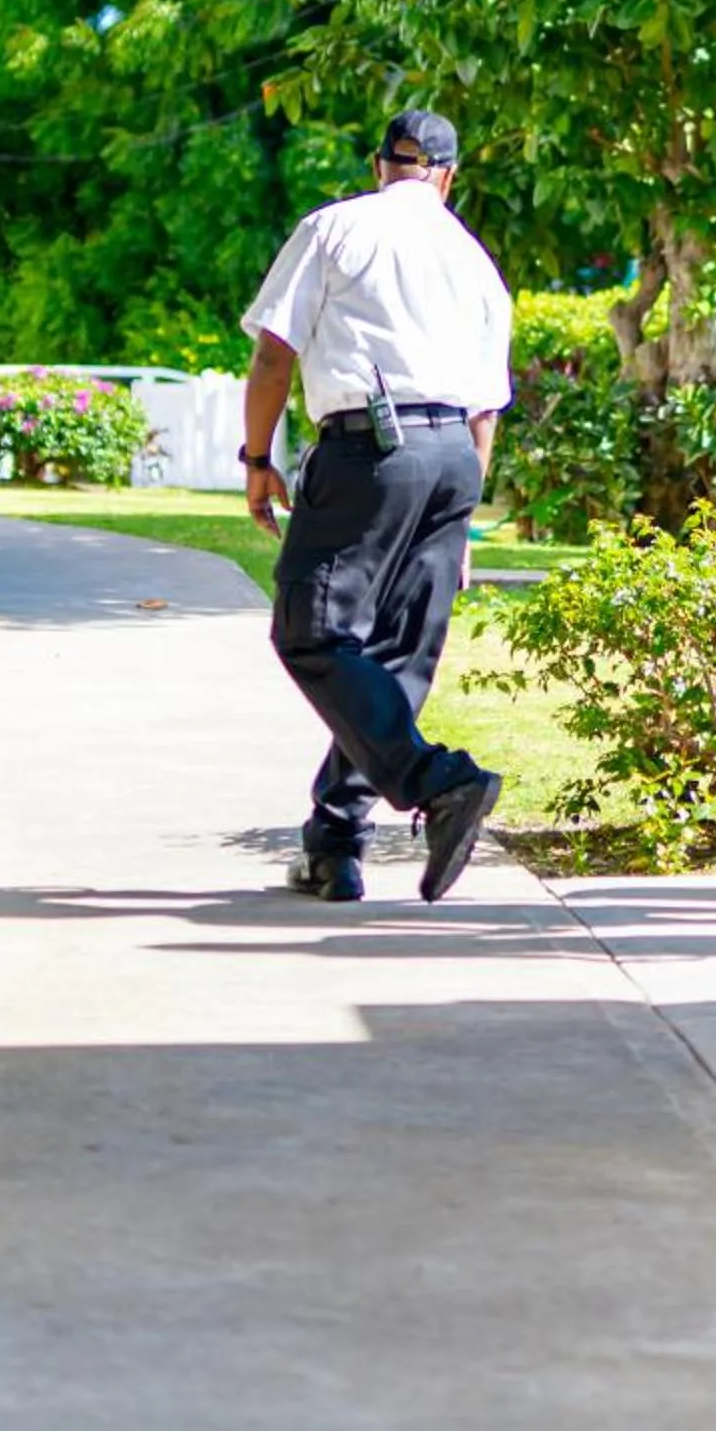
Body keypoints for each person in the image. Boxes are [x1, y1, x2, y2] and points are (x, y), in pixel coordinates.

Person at [239, 109, 513, 907]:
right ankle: (335, 845)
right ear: (448, 177)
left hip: (372, 449)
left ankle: (440, 781)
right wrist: (460, 522)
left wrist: (258, 460)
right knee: (397, 655)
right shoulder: (476, 262)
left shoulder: (334, 229)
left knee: (311, 629)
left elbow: (273, 353)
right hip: (453, 459)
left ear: (377, 166)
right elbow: (486, 411)